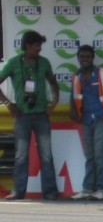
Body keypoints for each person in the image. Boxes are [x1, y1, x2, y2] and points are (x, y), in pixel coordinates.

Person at [0, 30, 60, 200]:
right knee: (21, 156)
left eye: (40, 46)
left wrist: (54, 102)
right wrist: (8, 103)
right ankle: (18, 191)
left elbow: (54, 84)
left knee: (46, 155)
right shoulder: (13, 63)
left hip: (41, 115)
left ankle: (50, 192)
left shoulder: (44, 63)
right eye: (36, 45)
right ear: (27, 45)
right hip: (22, 116)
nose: (39, 49)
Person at [68, 45, 103, 201]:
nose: (84, 60)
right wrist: (73, 111)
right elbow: (73, 97)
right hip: (86, 120)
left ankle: (102, 189)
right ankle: (87, 189)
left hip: (102, 120)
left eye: (87, 57)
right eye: (82, 57)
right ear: (78, 58)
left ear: (92, 58)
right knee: (90, 157)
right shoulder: (76, 76)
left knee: (100, 156)